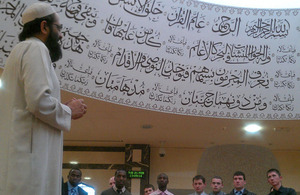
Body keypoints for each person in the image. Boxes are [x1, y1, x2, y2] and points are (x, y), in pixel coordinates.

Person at [0, 2, 87, 194]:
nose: (61, 35)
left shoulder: (19, 50)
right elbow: (38, 102)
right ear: (44, 26)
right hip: (31, 165)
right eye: (59, 28)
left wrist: (59, 107)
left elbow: (32, 101)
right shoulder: (35, 48)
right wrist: (69, 110)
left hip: (22, 160)